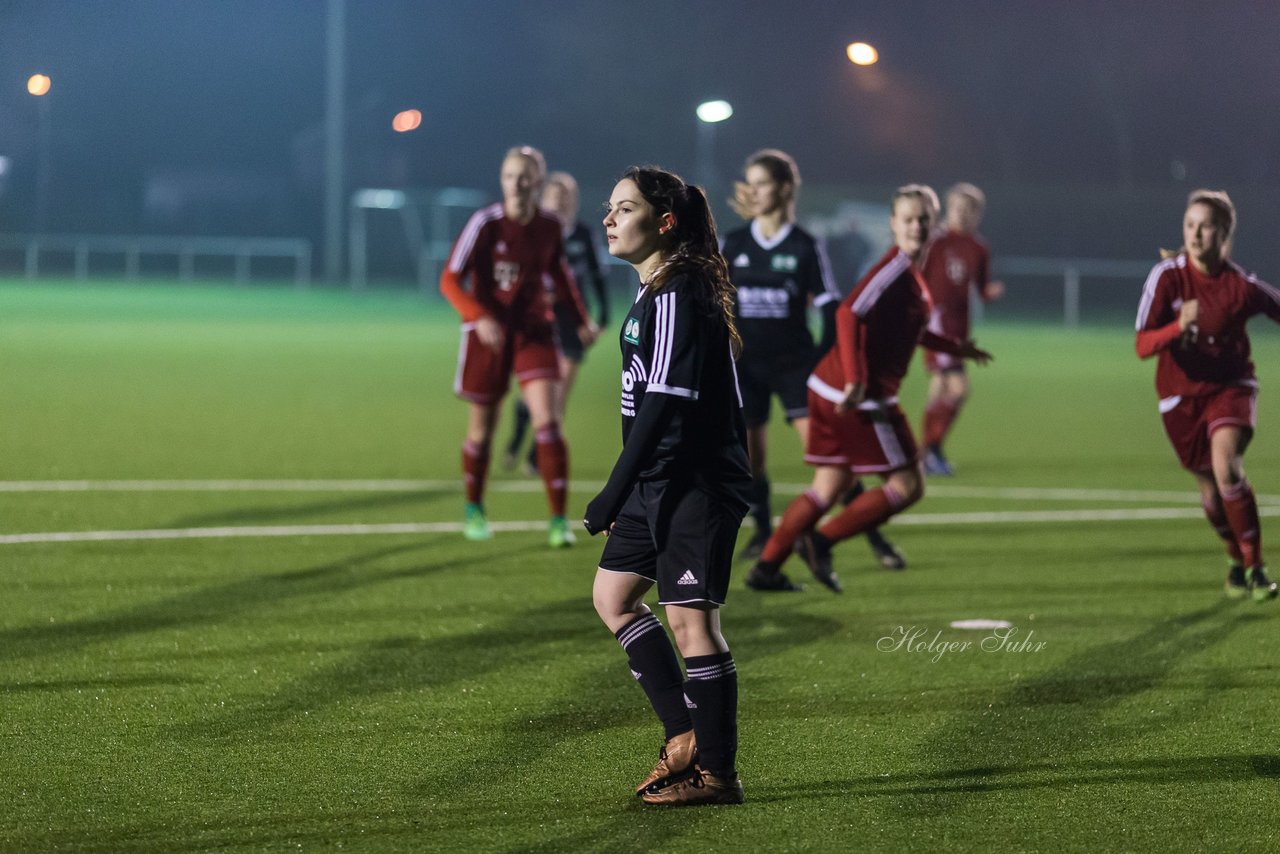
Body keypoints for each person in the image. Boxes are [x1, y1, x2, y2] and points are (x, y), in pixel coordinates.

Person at [586, 166, 751, 805]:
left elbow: (663, 403)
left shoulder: (681, 290)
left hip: (697, 481)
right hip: (658, 477)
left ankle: (717, 774)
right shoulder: (654, 290)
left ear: (664, 222)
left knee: (692, 624)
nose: (609, 218)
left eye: (623, 208)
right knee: (614, 596)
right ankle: (683, 736)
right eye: (609, 207)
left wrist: (611, 490)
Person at [746, 185, 991, 593]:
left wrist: (955, 347)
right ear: (893, 224)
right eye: (908, 218)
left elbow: (906, 330)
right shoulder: (894, 268)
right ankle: (820, 542)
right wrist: (858, 381)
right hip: (859, 396)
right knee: (908, 485)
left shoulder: (910, 273)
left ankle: (767, 568)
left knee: (829, 484)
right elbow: (848, 312)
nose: (917, 225)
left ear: (934, 224)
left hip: (827, 387)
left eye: (924, 218)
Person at [723, 149, 905, 571]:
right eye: (748, 183)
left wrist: (824, 363)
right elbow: (717, 304)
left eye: (761, 183)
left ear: (785, 189)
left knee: (832, 460)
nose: (752, 191)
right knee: (750, 461)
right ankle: (764, 533)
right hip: (744, 367)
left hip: (794, 367)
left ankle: (873, 537)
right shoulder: (733, 243)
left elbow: (829, 307)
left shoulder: (806, 246)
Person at [440, 146, 598, 547]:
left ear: (538, 182)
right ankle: (474, 508)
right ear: (502, 179)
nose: (517, 184)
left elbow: (559, 276)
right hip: (488, 336)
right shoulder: (485, 223)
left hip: (533, 332)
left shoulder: (548, 226)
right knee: (482, 431)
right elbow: (449, 280)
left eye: (526, 176)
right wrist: (479, 317)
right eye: (511, 176)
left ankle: (558, 520)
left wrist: (580, 320)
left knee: (548, 420)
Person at [1134, 189, 1279, 601]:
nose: (1196, 234)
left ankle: (1256, 566)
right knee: (1211, 493)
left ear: (1224, 233)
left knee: (1226, 465)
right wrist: (1177, 327)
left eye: (1206, 226)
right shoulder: (1166, 278)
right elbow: (1142, 346)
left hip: (1231, 388)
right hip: (1180, 398)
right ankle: (1235, 558)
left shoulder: (1240, 287)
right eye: (1190, 225)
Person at [503, 171, 610, 473]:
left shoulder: (583, 235)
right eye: (555, 197)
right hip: (540, 322)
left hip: (573, 322)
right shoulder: (534, 232)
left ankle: (537, 457)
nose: (560, 202)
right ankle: (519, 433)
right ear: (544, 199)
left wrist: (601, 318)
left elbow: (598, 277)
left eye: (566, 197)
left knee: (558, 397)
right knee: (533, 394)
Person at [918, 182, 1004, 476]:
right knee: (958, 388)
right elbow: (915, 276)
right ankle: (932, 449)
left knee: (940, 389)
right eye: (959, 208)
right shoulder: (934, 242)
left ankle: (922, 453)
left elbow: (980, 289)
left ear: (979, 214)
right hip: (936, 323)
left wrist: (990, 292)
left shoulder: (979, 247)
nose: (964, 215)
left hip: (959, 326)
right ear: (948, 209)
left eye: (971, 210)